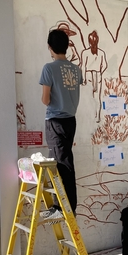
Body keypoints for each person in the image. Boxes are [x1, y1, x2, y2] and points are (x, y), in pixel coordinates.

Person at [39, 29, 83, 220]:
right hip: (70, 120)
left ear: (50, 47)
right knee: (64, 161)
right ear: (67, 46)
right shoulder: (76, 69)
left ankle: (64, 208)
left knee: (61, 164)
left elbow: (45, 100)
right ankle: (66, 206)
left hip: (55, 120)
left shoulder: (49, 68)